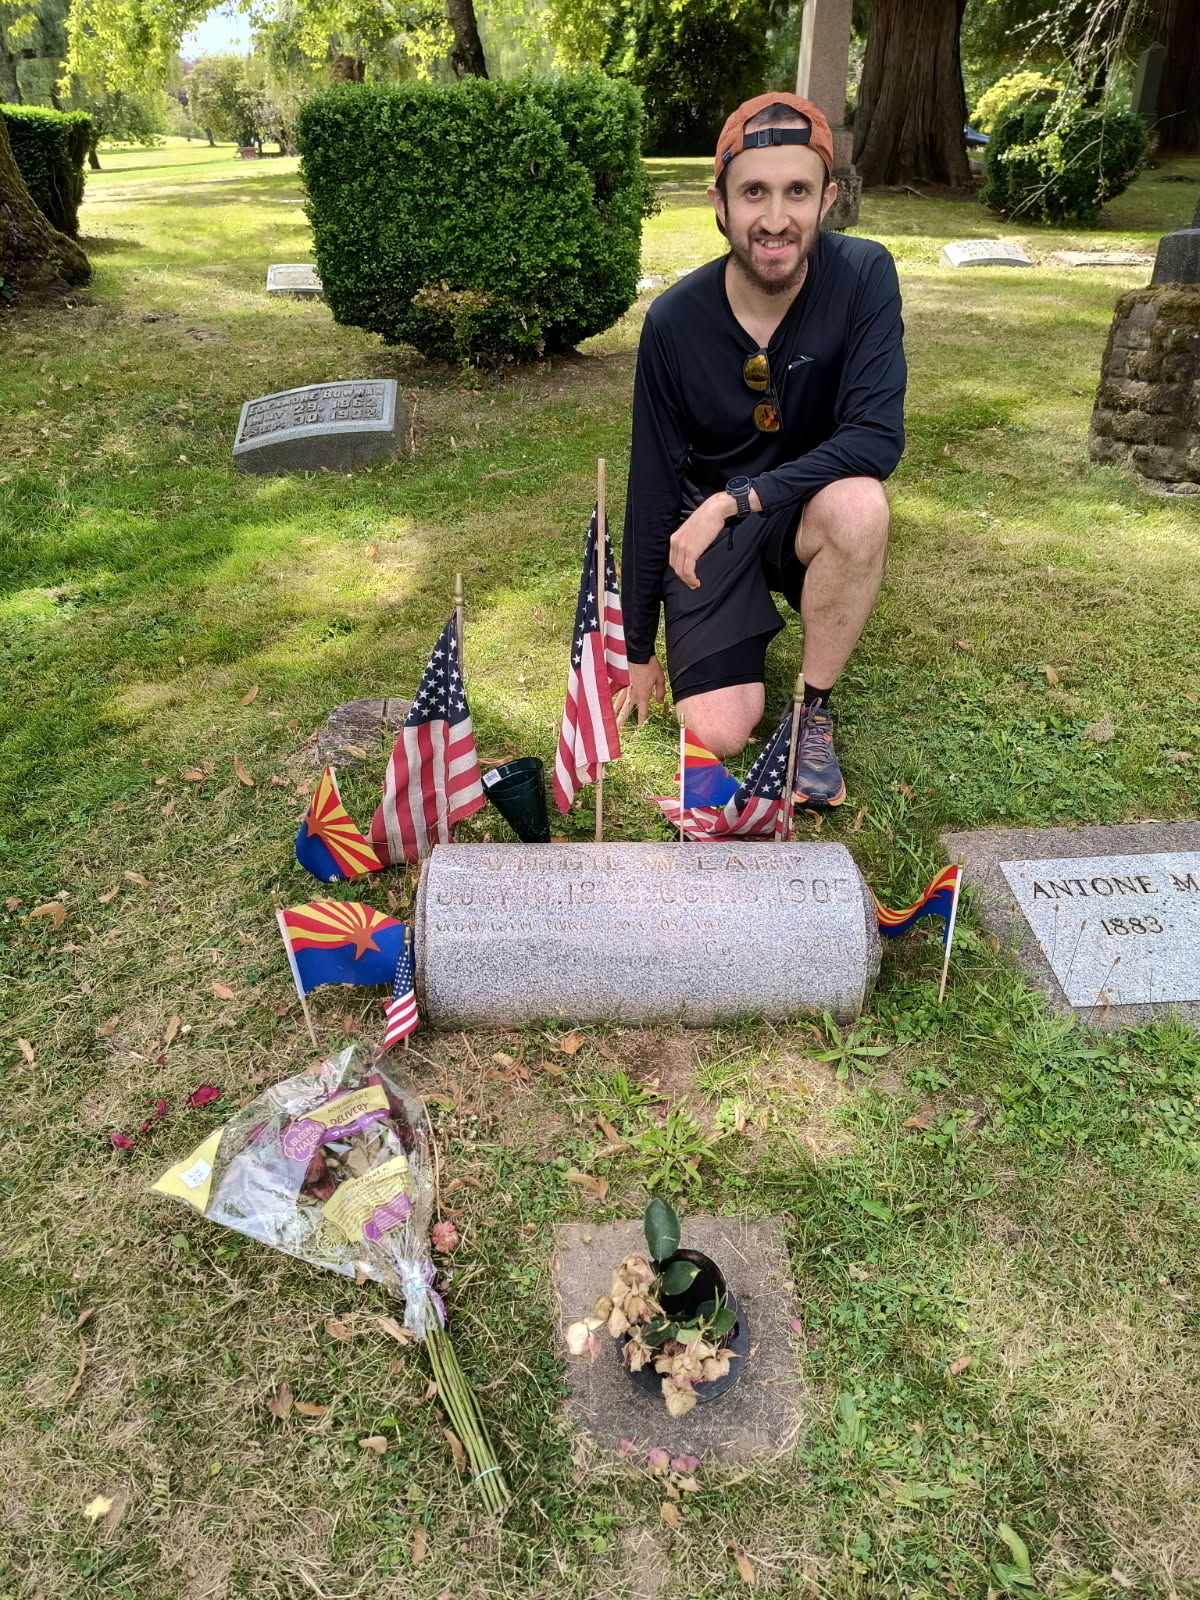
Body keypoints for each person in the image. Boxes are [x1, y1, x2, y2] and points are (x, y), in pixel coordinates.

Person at [620, 91, 906, 806]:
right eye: (754, 192)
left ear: (828, 199)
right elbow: (651, 485)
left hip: (799, 509)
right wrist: (638, 648)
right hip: (706, 533)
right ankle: (727, 630)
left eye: (797, 192)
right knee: (717, 732)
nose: (776, 219)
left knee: (861, 507)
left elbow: (875, 437)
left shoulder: (864, 277)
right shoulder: (673, 323)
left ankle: (813, 713)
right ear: (719, 204)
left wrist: (737, 498)